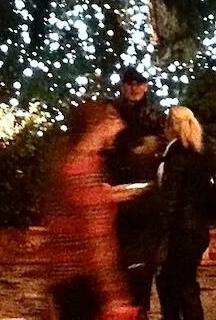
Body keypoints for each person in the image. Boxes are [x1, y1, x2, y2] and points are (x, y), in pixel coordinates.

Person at [46, 100, 133, 320]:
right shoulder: (83, 169)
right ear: (97, 124)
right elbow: (96, 240)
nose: (121, 125)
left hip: (64, 277)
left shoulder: (68, 161)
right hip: (83, 282)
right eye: (114, 119)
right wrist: (113, 294)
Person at [106, 68, 166, 318]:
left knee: (142, 257)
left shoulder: (154, 115)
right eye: (129, 84)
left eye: (138, 84)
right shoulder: (114, 111)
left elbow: (162, 147)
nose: (134, 89)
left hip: (144, 192)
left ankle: (140, 306)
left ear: (146, 87)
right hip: (117, 188)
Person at [155, 107, 216, 320]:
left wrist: (160, 229)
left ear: (170, 126)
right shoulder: (203, 153)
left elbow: (170, 197)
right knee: (182, 281)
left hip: (180, 229)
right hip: (198, 227)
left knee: (177, 283)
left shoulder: (176, 154)